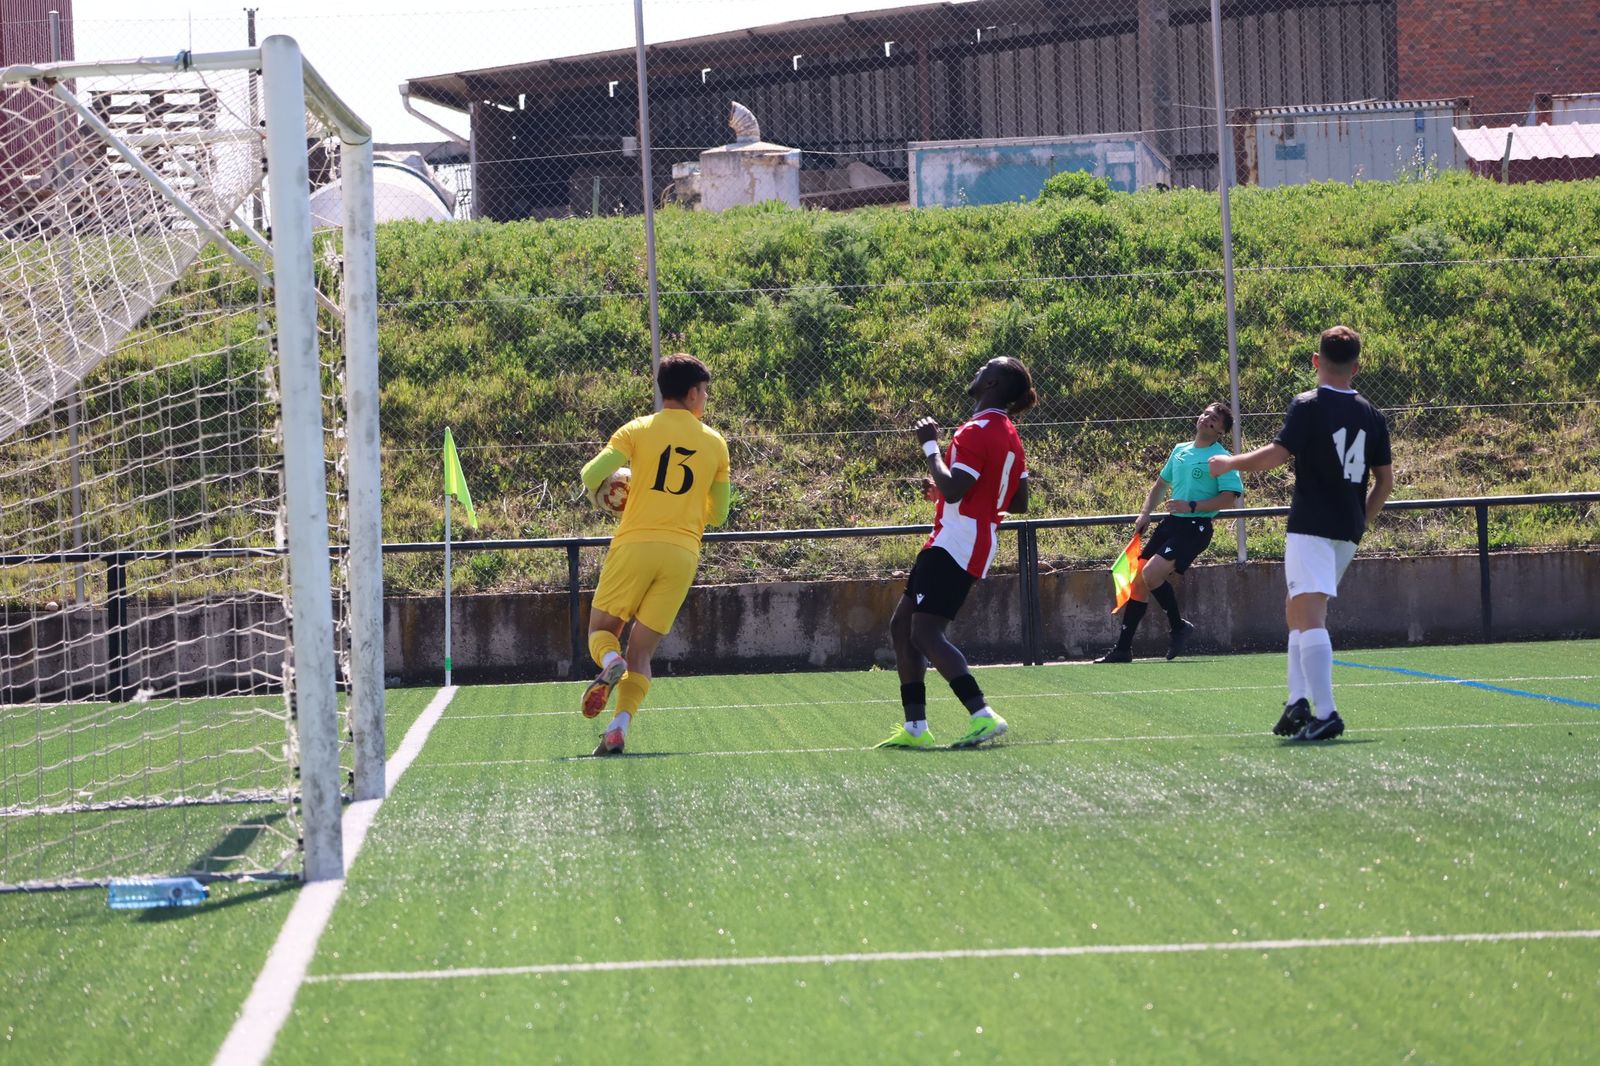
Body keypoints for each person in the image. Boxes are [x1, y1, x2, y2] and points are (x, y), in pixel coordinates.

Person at [1209, 325, 1393, 742]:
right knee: (1297, 608)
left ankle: (1325, 712)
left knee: (1309, 616)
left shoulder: (1307, 405)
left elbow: (1276, 455)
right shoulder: (1372, 415)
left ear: (1316, 361)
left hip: (1312, 524)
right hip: (1346, 527)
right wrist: (1363, 521)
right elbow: (1385, 482)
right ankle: (1297, 701)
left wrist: (1228, 463)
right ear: (1357, 368)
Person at [876, 356, 1036, 751]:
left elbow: (954, 488)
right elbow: (1017, 500)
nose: (977, 372)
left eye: (985, 369)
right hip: (964, 537)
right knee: (903, 627)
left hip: (956, 542)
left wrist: (931, 446)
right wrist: (952, 496)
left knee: (925, 631)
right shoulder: (1009, 432)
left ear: (993, 383)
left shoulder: (975, 430)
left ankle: (982, 714)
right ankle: (916, 727)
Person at [578, 353, 731, 755]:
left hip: (636, 544)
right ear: (694, 393)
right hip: (682, 553)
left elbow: (591, 475)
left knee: (601, 631)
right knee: (642, 651)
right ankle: (619, 725)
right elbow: (719, 514)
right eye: (705, 393)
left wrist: (623, 497)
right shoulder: (715, 443)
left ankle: (610, 661)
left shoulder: (637, 429)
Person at [1095, 402, 1243, 663]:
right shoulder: (1180, 450)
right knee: (1138, 582)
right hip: (1171, 523)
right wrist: (1145, 513)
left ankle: (1178, 627)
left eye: (1215, 419)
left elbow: (1230, 497)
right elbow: (1161, 484)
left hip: (1195, 527)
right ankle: (1123, 649)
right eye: (1206, 413)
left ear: (1221, 431)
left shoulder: (1220, 458)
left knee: (1150, 574)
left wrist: (1193, 505)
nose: (1208, 418)